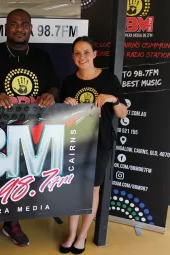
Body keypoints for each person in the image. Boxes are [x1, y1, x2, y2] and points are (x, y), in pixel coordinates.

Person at [0, 8, 59, 252]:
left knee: (21, 176)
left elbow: (54, 85)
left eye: (24, 24)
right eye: (14, 23)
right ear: (6, 27)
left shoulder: (42, 57)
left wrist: (49, 96)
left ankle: (12, 222)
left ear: (31, 28)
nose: (19, 28)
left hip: (30, 130)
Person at [58, 36, 128, 254]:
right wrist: (65, 105)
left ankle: (82, 236)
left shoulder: (109, 79)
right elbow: (61, 117)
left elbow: (123, 113)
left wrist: (112, 100)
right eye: (77, 53)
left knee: (92, 189)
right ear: (72, 57)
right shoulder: (69, 81)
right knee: (74, 188)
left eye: (87, 52)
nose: (82, 57)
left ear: (95, 54)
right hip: (75, 142)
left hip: (100, 142)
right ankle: (70, 234)